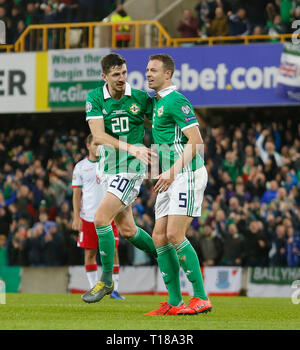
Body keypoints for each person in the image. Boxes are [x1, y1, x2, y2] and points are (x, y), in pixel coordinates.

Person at [81, 53, 157, 303]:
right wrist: (129, 147)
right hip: (108, 169)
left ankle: (105, 280)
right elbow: (98, 137)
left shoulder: (139, 98)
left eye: (124, 73)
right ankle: (164, 254)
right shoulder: (94, 98)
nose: (122, 78)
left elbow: (162, 118)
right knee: (127, 229)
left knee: (100, 218)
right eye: (116, 74)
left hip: (131, 169)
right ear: (104, 76)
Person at [145, 53, 212, 315]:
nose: (148, 74)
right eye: (147, 70)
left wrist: (172, 171)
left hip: (187, 173)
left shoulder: (176, 100)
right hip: (169, 176)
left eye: (154, 70)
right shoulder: (157, 102)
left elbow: (196, 142)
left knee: (174, 234)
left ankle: (201, 297)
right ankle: (174, 302)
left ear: (168, 74)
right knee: (159, 237)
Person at [72, 133, 124, 299]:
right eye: (95, 144)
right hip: (88, 217)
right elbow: (76, 194)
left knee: (113, 250)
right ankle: (94, 287)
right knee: (90, 253)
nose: (98, 148)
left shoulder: (110, 163)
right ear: (88, 146)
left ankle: (114, 289)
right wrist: (76, 217)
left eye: (100, 144)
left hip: (110, 216)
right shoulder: (80, 167)